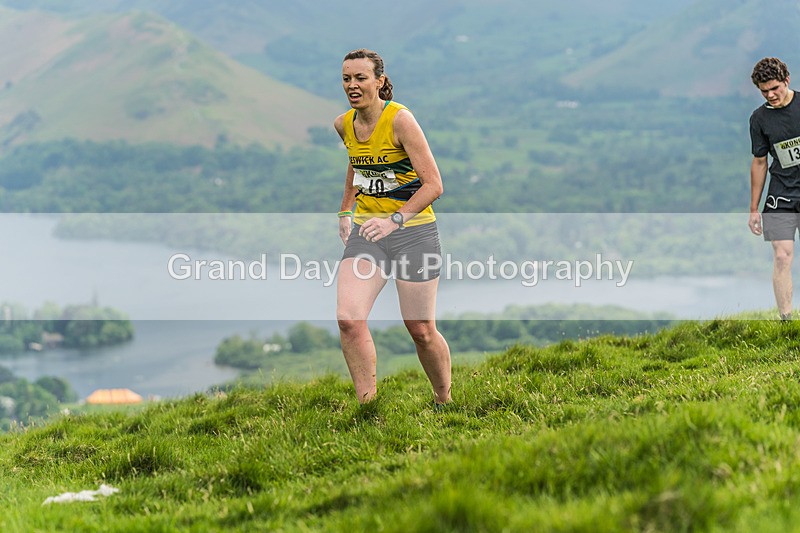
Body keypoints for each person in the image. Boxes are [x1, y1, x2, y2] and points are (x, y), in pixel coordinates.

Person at [333, 48, 451, 406]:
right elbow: (357, 163)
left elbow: (434, 185)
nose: (352, 86)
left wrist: (395, 220)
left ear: (379, 82)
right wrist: (345, 210)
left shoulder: (401, 120)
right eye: (346, 79)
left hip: (414, 233)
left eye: (360, 78)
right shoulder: (343, 124)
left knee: (421, 329)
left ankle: (443, 398)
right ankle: (368, 408)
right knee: (349, 320)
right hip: (368, 232)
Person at [748, 57, 800, 321]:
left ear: (787, 81)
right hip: (781, 194)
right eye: (764, 91)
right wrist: (754, 208)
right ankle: (787, 323)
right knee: (782, 256)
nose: (770, 95)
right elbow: (759, 162)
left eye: (775, 88)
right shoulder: (759, 119)